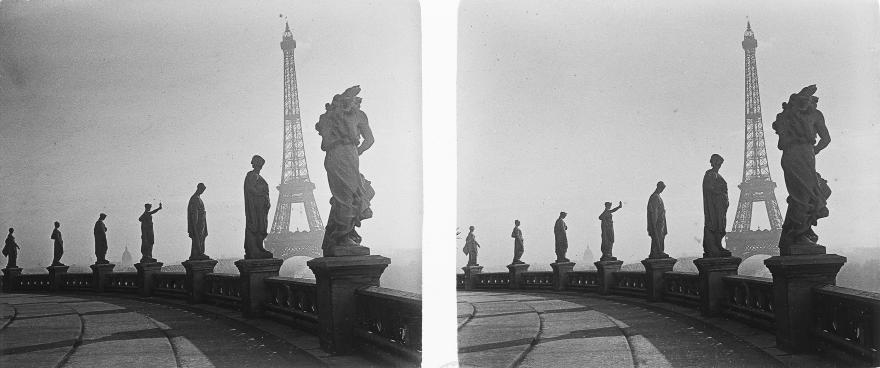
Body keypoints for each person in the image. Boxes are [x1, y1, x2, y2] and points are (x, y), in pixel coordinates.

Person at [316, 86, 376, 253]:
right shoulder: (353, 115)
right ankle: (343, 236)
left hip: (341, 155)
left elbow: (370, 139)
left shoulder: (333, 116)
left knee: (349, 195)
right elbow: (369, 140)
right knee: (346, 196)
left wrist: (357, 151)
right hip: (344, 154)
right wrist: (358, 150)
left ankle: (343, 234)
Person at [771, 85, 831, 247]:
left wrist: (814, 150)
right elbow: (781, 142)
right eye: (803, 99)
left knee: (810, 193)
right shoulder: (788, 116)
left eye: (809, 100)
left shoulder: (814, 115)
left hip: (806, 156)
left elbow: (826, 138)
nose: (808, 103)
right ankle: (798, 234)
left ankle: (799, 231)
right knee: (802, 195)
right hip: (794, 156)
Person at [243, 155, 273, 259]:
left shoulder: (255, 176)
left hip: (261, 207)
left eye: (261, 165)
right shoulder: (253, 175)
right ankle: (257, 248)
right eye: (259, 165)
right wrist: (261, 194)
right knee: (259, 226)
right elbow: (250, 188)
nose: (260, 167)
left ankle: (258, 248)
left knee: (261, 226)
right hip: (257, 208)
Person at [702, 154, 732, 257]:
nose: (719, 165)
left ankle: (718, 245)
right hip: (715, 206)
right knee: (717, 225)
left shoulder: (716, 175)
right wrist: (719, 192)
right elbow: (709, 188)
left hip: (720, 205)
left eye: (720, 164)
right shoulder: (710, 174)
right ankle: (716, 246)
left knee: (721, 225)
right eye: (718, 163)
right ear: (714, 163)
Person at [187, 183, 210, 260]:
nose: (203, 191)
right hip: (198, 224)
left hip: (202, 222)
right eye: (202, 189)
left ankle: (199, 253)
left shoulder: (197, 198)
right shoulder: (195, 198)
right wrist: (194, 225)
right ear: (198, 188)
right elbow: (194, 213)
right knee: (198, 238)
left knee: (201, 238)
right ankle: (198, 253)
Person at [647, 182, 669, 258]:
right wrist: (654, 223)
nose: (662, 190)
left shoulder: (657, 196)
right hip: (658, 223)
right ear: (659, 187)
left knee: (660, 237)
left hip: (661, 222)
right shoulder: (655, 197)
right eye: (662, 188)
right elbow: (654, 211)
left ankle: (659, 252)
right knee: (658, 237)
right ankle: (657, 252)